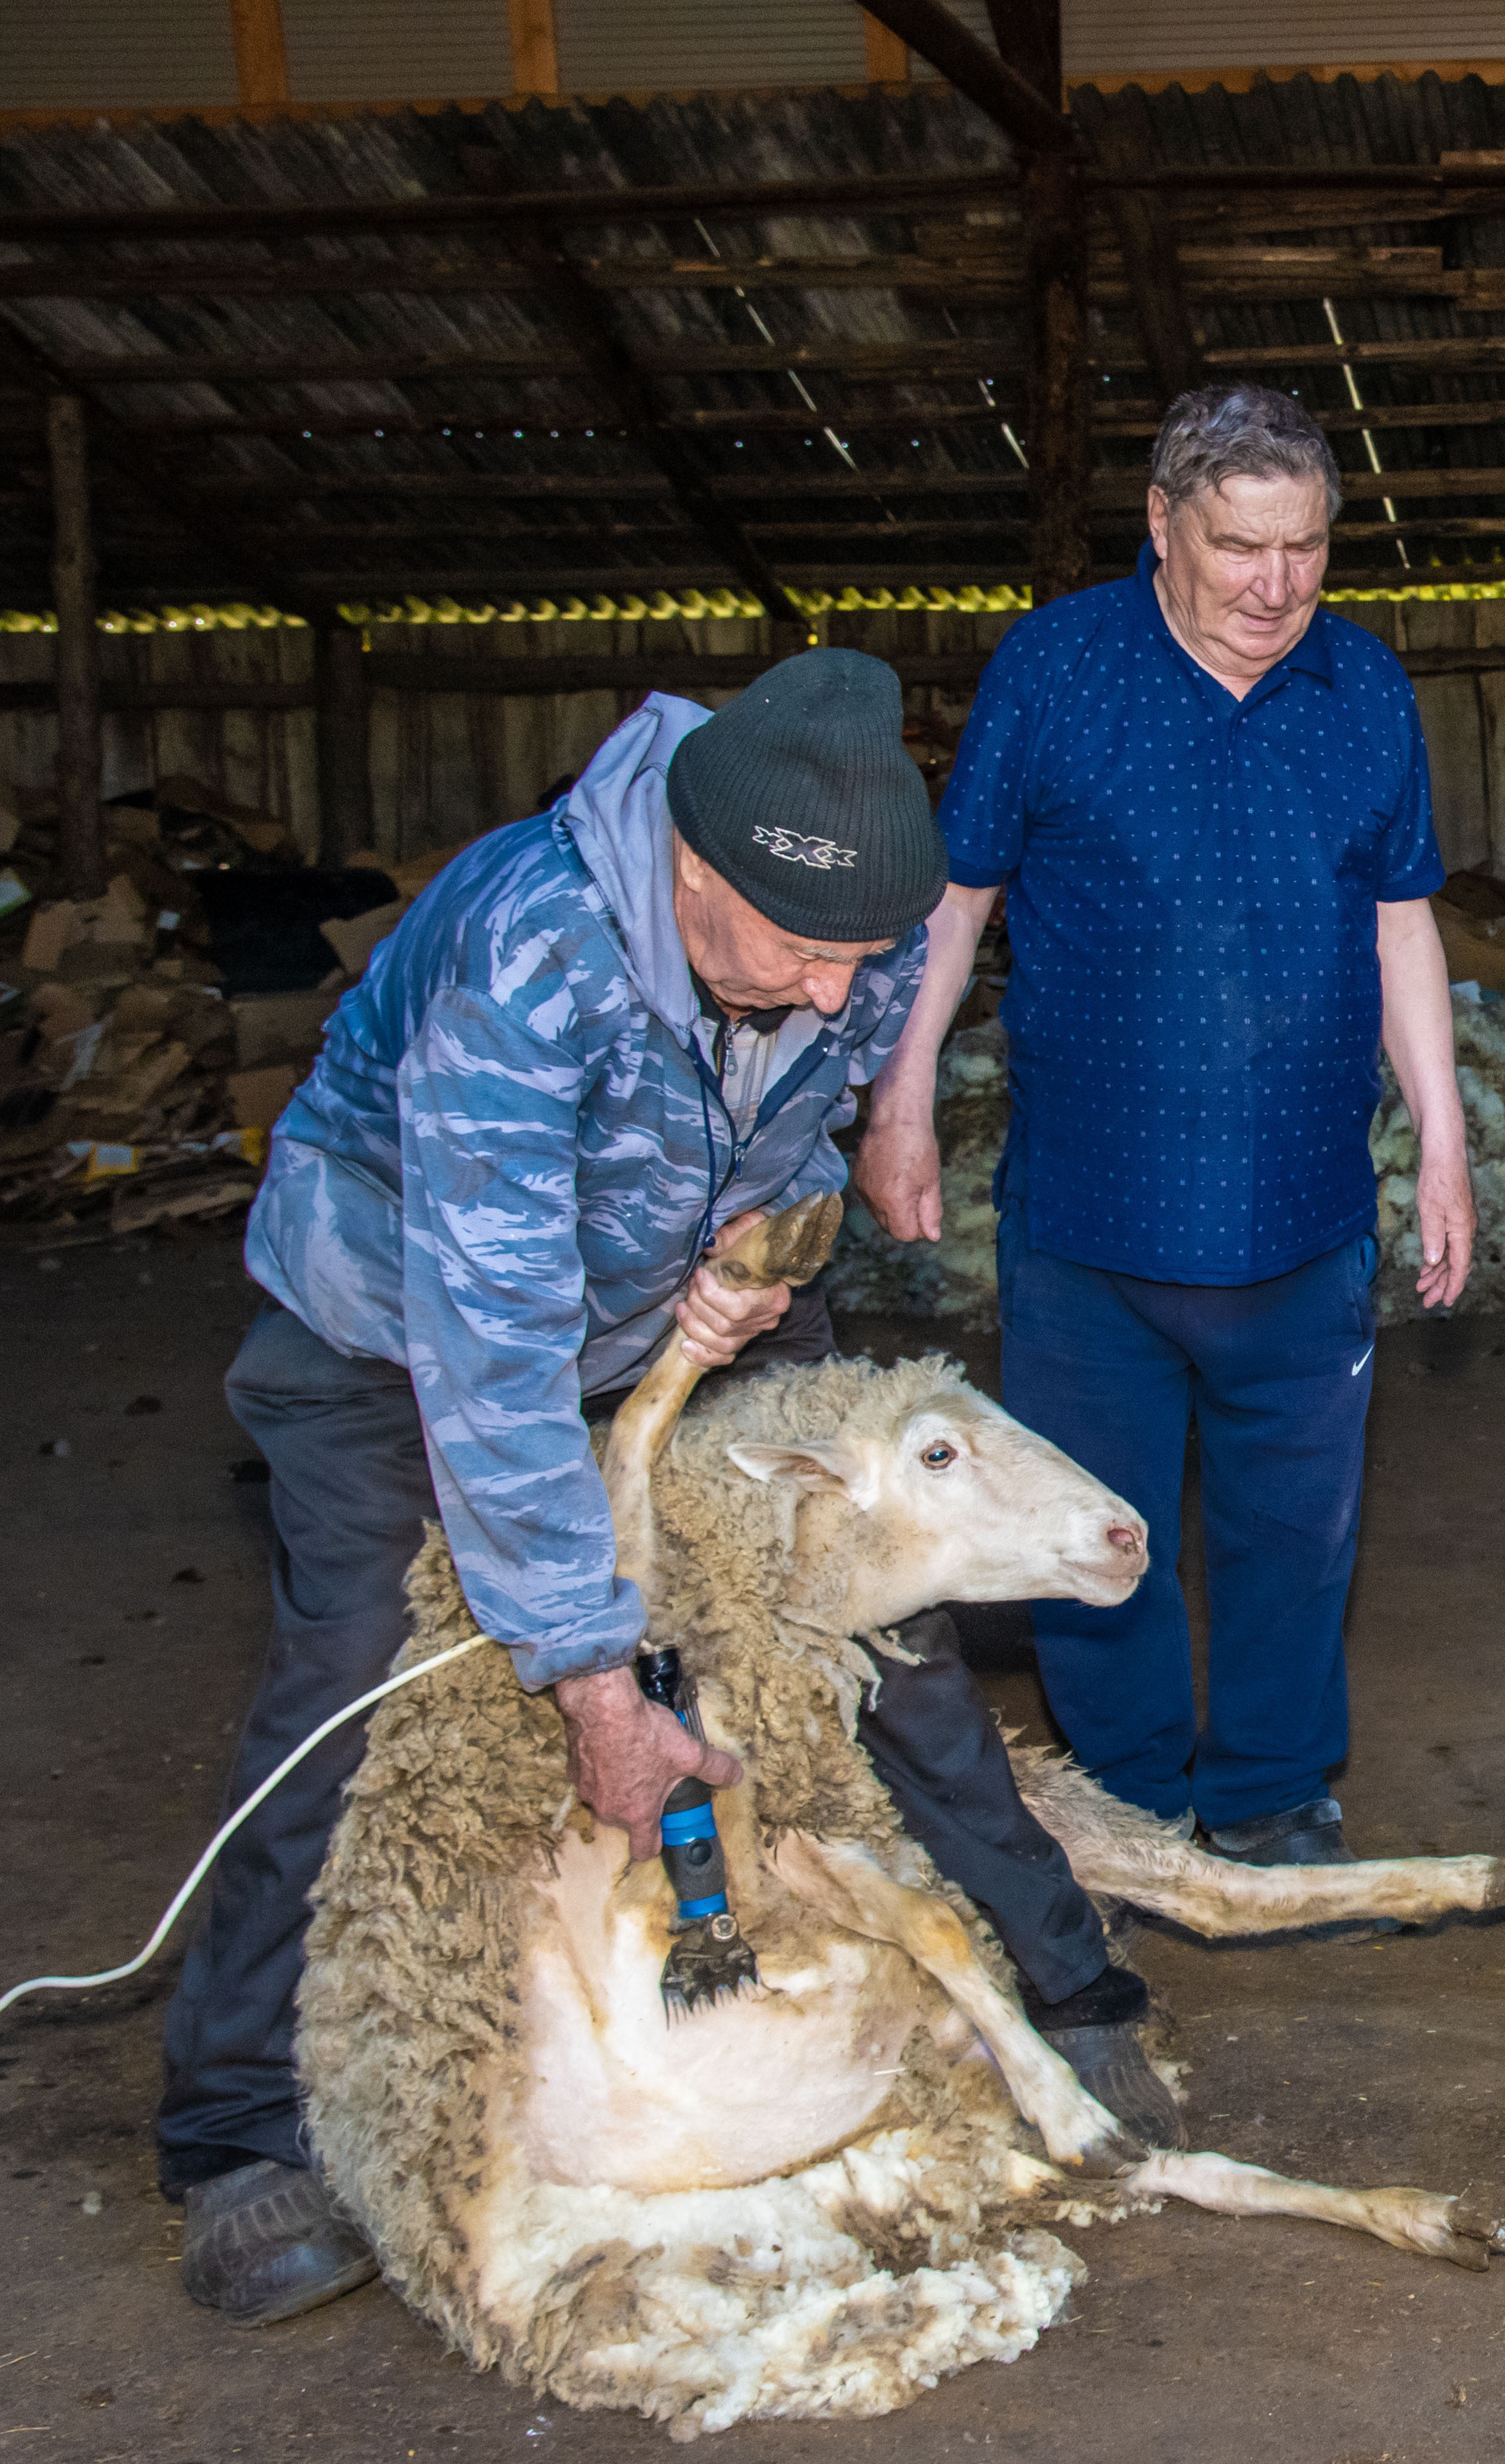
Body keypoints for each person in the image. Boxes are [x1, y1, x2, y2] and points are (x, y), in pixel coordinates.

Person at [165, 651, 1173, 2329]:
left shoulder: (848, 928)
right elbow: (492, 1356)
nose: (834, 989)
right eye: (799, 953)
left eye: (861, 959)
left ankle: (1074, 1981)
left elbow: (807, 1121)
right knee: (356, 1669)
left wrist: (757, 1254)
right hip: (397, 1326)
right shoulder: (526, 954)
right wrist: (592, 1675)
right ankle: (232, 2125)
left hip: (684, 1298)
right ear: (690, 869)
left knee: (885, 1618)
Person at [859, 380, 1470, 1882]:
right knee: (1092, 1530)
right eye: (1240, 547)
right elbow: (958, 898)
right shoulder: (1057, 669)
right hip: (1091, 1221)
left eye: (1305, 547)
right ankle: (1128, 1801)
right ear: (1160, 524)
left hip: (1304, 1214)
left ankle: (1269, 1793)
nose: (1276, 584)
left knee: (1293, 1533)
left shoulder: (1364, 687)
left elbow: (1401, 923)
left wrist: (1445, 1142)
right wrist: (902, 1095)